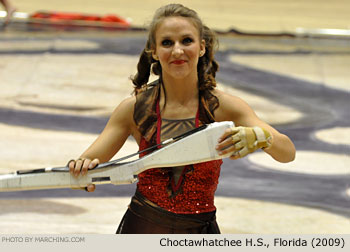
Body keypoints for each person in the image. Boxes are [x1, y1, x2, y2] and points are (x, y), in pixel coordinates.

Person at [68, 4, 295, 234]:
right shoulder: (134, 109)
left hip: (199, 232)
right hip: (143, 231)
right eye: (167, 43)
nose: (177, 51)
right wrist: (81, 169)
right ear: (154, 51)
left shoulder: (224, 107)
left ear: (202, 47)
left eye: (186, 41)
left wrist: (262, 137)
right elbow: (85, 166)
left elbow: (287, 153)